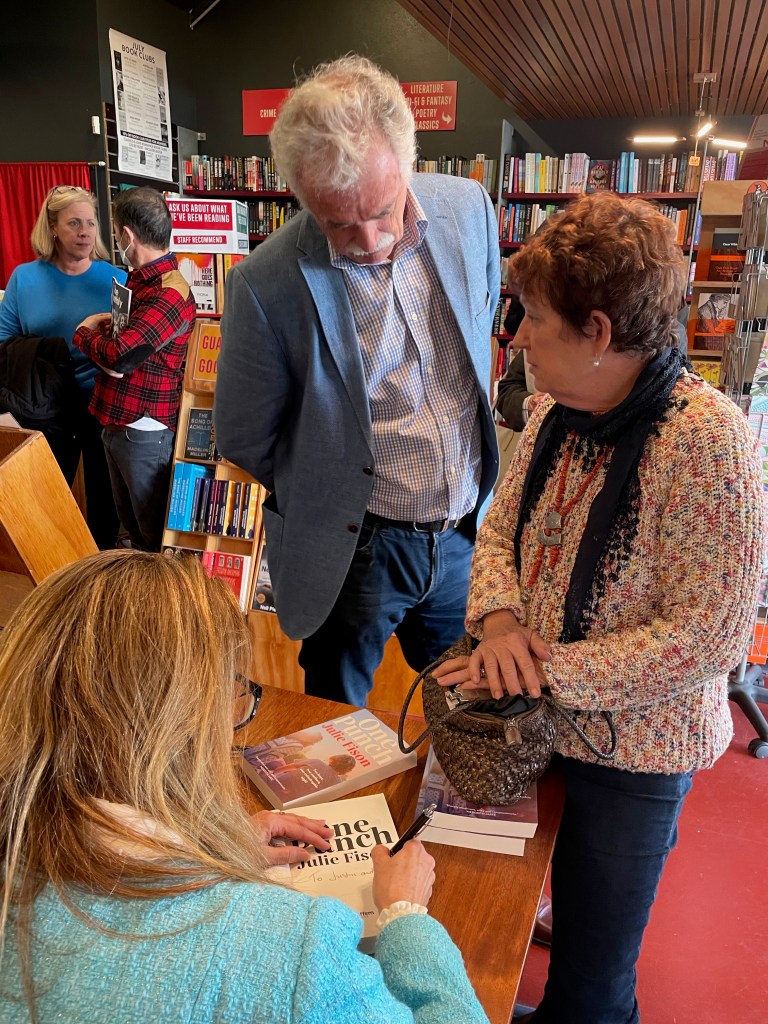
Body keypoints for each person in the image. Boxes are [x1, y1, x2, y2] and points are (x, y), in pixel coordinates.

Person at [432, 191, 765, 1024]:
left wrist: (539, 671)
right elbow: (499, 526)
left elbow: (709, 638)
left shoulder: (708, 442)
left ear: (599, 333)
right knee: (501, 901)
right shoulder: (554, 406)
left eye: (535, 318)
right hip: (528, 722)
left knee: (593, 979)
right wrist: (500, 623)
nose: (516, 337)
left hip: (636, 754)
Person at [0, 550, 488, 1024]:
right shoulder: (295, 954)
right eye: (234, 699)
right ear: (186, 727)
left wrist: (209, 851)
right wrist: (405, 914)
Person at [214, 55, 500, 707]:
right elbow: (244, 436)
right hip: (356, 547)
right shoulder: (264, 283)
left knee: (468, 712)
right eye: (338, 223)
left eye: (383, 210)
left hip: (465, 532)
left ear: (407, 164)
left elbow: (480, 332)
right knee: (335, 721)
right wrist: (334, 481)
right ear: (303, 197)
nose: (368, 240)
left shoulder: (468, 209)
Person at [0, 185, 126, 549]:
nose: (85, 231)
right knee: (43, 502)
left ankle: (101, 569)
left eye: (90, 223)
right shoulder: (25, 278)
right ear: (53, 227)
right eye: (74, 223)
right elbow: (4, 344)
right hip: (44, 406)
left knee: (106, 505)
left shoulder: (116, 279)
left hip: (101, 401)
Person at [73, 187, 196, 552]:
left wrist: (83, 333)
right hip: (122, 423)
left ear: (127, 235)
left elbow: (121, 356)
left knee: (152, 535)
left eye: (114, 232)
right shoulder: (143, 280)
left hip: (143, 430)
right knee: (133, 530)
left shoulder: (169, 292)